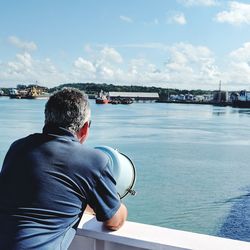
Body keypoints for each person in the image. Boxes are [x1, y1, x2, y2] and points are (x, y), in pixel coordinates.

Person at [0, 88, 127, 249]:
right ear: (85, 127)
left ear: (47, 120)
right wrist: (117, 204)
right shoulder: (94, 160)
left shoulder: (18, 147)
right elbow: (113, 221)